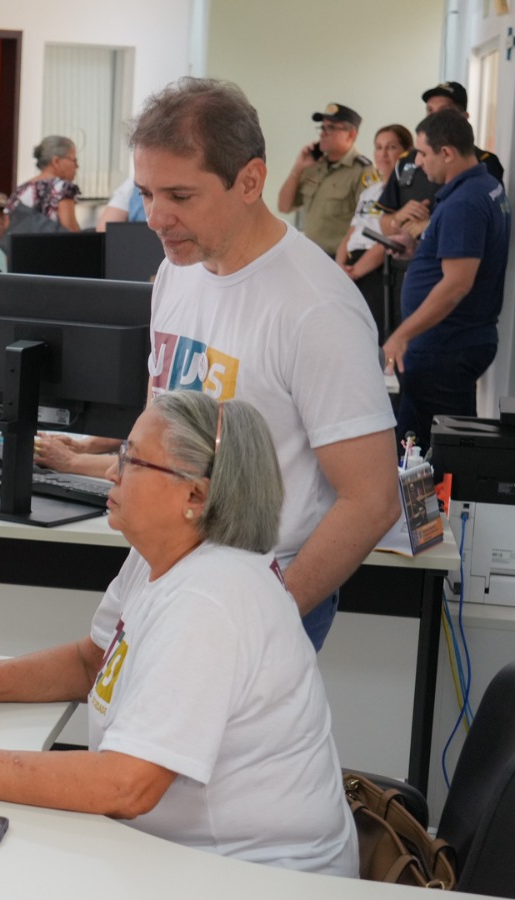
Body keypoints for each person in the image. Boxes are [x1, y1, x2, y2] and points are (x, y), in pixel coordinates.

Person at [0, 392, 359, 877]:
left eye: (133, 460)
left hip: (256, 876)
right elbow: (93, 663)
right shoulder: (161, 556)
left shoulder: (210, 599)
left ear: (194, 495)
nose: (113, 472)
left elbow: (126, 786)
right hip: (180, 855)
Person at [40, 78, 399, 651]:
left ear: (251, 180)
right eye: (146, 193)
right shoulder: (176, 271)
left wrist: (269, 614)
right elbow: (169, 414)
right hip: (165, 574)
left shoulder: (317, 308)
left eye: (179, 197)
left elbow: (372, 499)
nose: (155, 218)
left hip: (259, 590)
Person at [383, 110, 510, 453]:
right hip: (455, 343)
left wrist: (401, 334)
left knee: (425, 455)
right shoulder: (485, 186)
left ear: (448, 153)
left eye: (423, 153)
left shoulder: (465, 203)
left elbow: (456, 285)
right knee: (453, 445)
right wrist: (418, 248)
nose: (419, 163)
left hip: (444, 348)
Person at [378, 81, 505, 242]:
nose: (434, 117)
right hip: (404, 261)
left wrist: (431, 226)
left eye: (444, 112)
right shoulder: (405, 162)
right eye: (429, 110)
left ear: (464, 118)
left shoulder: (482, 164)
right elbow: (384, 225)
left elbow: (491, 225)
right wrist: (398, 216)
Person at [337, 125, 412, 337]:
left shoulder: (405, 194)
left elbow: (389, 240)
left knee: (369, 337)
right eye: (378, 147)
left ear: (406, 152)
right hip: (349, 269)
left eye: (391, 147)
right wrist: (339, 267)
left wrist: (356, 272)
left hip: (376, 269)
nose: (383, 154)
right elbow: (352, 232)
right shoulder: (370, 191)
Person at [277, 103, 371, 259]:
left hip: (340, 259)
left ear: (351, 135)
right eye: (322, 127)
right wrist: (298, 167)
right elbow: (284, 206)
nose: (322, 134)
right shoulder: (315, 166)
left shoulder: (362, 171)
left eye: (331, 128)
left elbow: (366, 222)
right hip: (310, 256)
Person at [8, 135, 81, 231]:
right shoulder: (63, 188)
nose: (76, 166)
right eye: (74, 160)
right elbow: (70, 229)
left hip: (22, 245)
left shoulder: (22, 189)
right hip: (52, 245)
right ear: (56, 161)